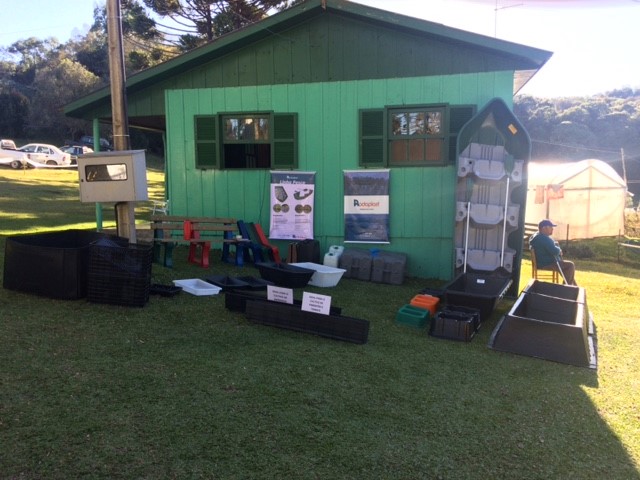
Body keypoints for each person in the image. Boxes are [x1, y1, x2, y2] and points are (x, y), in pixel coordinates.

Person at [529, 219, 577, 285]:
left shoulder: (537, 236)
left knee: (566, 269)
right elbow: (554, 251)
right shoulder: (544, 239)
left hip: (542, 262)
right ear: (544, 228)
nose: (552, 229)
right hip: (547, 264)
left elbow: (550, 247)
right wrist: (559, 250)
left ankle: (574, 287)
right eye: (550, 227)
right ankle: (567, 288)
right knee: (570, 265)